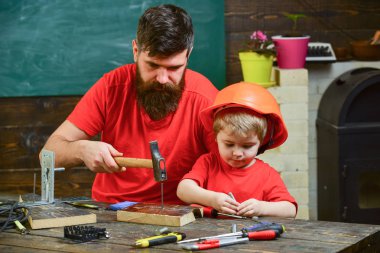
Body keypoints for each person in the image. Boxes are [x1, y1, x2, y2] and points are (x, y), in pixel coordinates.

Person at [40, 4, 218, 204]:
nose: (161, 78)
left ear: (189, 55)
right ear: (135, 50)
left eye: (174, 68)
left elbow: (231, 169)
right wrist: (81, 149)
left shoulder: (206, 100)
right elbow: (48, 155)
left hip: (178, 214)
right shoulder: (111, 87)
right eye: (152, 65)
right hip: (110, 211)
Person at [177, 82, 297, 218]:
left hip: (252, 236)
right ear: (216, 137)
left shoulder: (267, 174)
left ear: (260, 142)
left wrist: (261, 207)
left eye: (247, 146)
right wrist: (212, 199)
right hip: (208, 234)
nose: (237, 153)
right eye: (229, 144)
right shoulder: (208, 163)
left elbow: (290, 209)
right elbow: (183, 190)